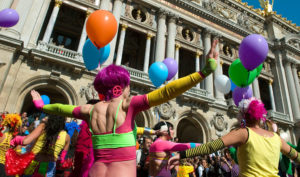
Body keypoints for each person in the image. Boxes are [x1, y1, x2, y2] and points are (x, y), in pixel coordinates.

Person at [30, 39, 218, 177]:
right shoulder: (128, 106)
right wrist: (204, 72)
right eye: (128, 86)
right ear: (120, 88)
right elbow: (167, 92)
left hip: (94, 172)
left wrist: (43, 106)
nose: (130, 90)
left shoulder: (90, 110)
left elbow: (63, 108)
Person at [168, 98, 300, 177]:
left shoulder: (244, 133)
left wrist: (182, 155)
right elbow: (296, 156)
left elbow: (211, 147)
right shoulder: (276, 138)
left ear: (242, 117)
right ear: (261, 118)